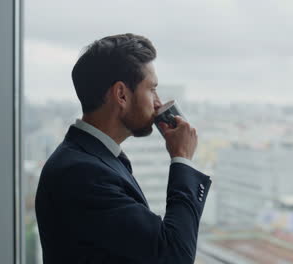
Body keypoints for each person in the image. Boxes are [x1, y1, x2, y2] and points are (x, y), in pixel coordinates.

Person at [35, 33, 212, 264]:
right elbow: (174, 256)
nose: (158, 102)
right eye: (152, 89)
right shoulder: (83, 173)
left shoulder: (92, 158)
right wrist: (182, 159)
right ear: (121, 94)